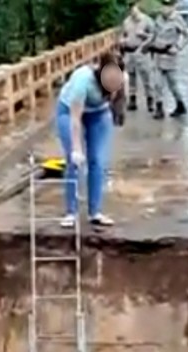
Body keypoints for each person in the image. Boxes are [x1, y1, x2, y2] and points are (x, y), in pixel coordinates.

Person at [55, 52, 126, 229]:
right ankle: (71, 212)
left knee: (98, 160)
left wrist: (118, 112)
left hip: (98, 113)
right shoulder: (82, 81)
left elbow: (119, 101)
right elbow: (75, 119)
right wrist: (77, 149)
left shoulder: (122, 78)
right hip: (69, 111)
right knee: (74, 161)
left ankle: (95, 212)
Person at [148, 0, 188, 119]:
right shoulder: (158, 19)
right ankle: (159, 108)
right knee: (157, 84)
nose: (164, 8)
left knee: (173, 84)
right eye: (163, 5)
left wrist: (178, 47)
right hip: (158, 55)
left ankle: (180, 105)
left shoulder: (177, 19)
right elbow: (153, 34)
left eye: (167, 6)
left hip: (170, 56)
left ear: (173, 6)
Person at [119, 1, 155, 113]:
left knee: (147, 78)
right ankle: (132, 101)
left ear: (138, 7)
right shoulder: (126, 22)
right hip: (129, 52)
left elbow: (154, 36)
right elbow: (123, 34)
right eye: (130, 9)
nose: (132, 11)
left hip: (142, 52)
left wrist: (144, 36)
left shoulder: (147, 21)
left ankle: (150, 101)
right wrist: (122, 40)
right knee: (131, 78)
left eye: (133, 8)